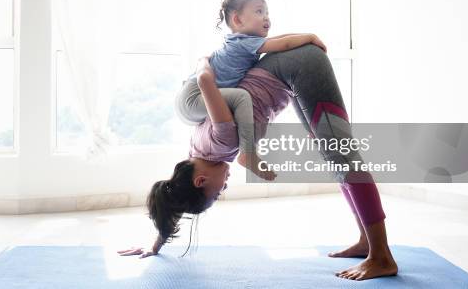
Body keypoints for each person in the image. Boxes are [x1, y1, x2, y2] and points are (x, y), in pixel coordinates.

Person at [119, 43, 398, 281]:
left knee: (341, 154)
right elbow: (177, 196)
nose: (224, 186)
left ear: (201, 180)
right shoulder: (197, 151)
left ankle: (382, 256)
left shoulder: (223, 140)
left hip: (300, 66)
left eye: (218, 192)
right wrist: (157, 244)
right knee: (332, 155)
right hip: (290, 73)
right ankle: (367, 242)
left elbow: (208, 82)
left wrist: (202, 62)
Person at [175, 0, 326, 179]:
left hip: (188, 101)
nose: (266, 18)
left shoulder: (242, 41)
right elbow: (284, 44)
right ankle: (248, 152)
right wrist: (310, 37)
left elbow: (279, 40)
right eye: (259, 11)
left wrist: (307, 36)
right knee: (241, 97)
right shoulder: (244, 44)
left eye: (267, 13)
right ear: (237, 20)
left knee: (234, 101)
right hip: (193, 97)